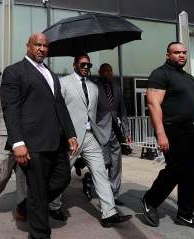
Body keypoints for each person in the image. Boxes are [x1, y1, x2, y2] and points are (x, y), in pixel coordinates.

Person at [0, 33, 78, 239]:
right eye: (38, 45)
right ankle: (39, 235)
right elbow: (10, 109)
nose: (42, 49)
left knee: (62, 178)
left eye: (45, 46)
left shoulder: (51, 74)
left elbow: (59, 105)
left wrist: (70, 133)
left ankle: (27, 207)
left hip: (56, 140)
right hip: (31, 141)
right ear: (28, 46)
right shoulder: (14, 72)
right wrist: (17, 143)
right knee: (38, 188)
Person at [49, 53, 132, 228]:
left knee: (100, 172)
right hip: (71, 138)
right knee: (63, 173)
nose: (86, 67)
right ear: (74, 65)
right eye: (83, 64)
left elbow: (93, 113)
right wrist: (63, 134)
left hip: (90, 136)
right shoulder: (64, 83)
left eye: (89, 65)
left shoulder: (94, 87)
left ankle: (109, 213)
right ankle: (53, 205)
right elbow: (57, 111)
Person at [141, 42, 194, 230]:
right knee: (176, 169)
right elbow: (153, 104)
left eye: (184, 52)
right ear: (168, 55)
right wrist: (161, 133)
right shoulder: (160, 74)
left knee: (191, 172)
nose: (181, 55)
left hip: (188, 129)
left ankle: (185, 214)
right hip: (171, 129)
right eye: (177, 52)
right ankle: (150, 200)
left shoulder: (189, 78)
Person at [0, 87, 27, 220]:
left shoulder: (26, 91)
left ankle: (21, 207)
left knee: (23, 176)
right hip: (2, 141)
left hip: (24, 141)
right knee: (2, 174)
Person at [95, 63, 131, 206]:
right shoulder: (94, 87)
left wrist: (126, 132)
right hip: (100, 131)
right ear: (100, 72)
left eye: (110, 70)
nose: (108, 73)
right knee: (105, 162)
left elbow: (123, 111)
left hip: (116, 132)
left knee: (116, 164)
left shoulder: (117, 88)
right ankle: (89, 179)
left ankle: (114, 195)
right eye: (105, 70)